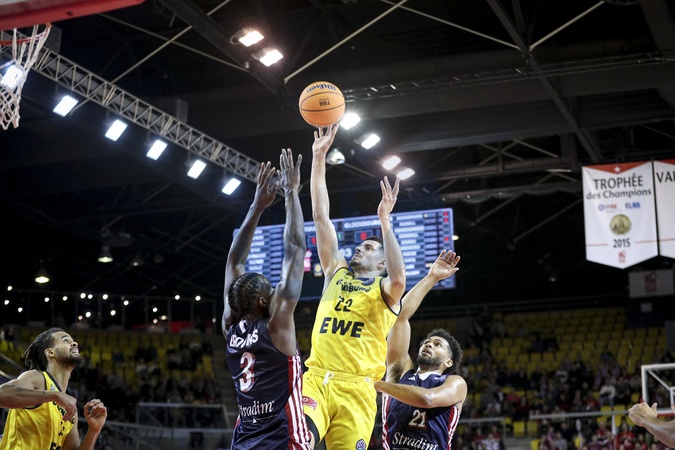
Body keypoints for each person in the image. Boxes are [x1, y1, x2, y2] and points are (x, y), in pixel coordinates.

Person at [302, 123, 407, 449]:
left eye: (369, 248)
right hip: (316, 380)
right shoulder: (336, 271)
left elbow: (399, 279)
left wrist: (385, 221)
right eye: (360, 246)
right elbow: (320, 215)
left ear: (381, 263)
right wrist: (318, 158)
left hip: (358, 389)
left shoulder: (386, 291)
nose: (359, 248)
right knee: (294, 441)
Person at [222, 149, 311, 450]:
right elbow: (296, 249)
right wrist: (291, 193)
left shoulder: (230, 328)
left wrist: (256, 207)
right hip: (284, 440)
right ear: (263, 302)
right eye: (270, 289)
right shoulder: (277, 325)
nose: (275, 290)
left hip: (244, 441)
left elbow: (234, 261)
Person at [374, 250, 467, 450]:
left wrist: (378, 385)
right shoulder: (400, 372)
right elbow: (400, 317)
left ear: (448, 362)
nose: (428, 344)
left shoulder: (455, 383)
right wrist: (431, 277)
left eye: (437, 344)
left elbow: (427, 399)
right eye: (427, 342)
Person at [0, 327, 107, 450]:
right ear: (50, 352)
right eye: (65, 340)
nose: (74, 343)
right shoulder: (38, 378)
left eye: (73, 341)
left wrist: (94, 430)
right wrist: (54, 395)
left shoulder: (69, 408)